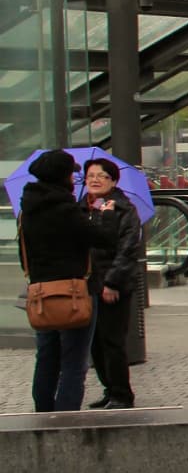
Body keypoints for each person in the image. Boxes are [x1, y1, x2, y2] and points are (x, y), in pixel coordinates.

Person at [19, 149, 112, 412]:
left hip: (41, 293)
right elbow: (102, 239)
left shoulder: (27, 211)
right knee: (74, 361)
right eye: (72, 173)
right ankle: (66, 421)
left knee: (46, 358)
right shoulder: (67, 210)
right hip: (75, 292)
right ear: (63, 176)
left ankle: (44, 415)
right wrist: (102, 214)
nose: (75, 178)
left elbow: (23, 255)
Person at [83, 156, 145, 411]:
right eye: (90, 177)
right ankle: (109, 389)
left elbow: (127, 249)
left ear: (114, 180)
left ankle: (122, 393)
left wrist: (112, 282)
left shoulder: (124, 209)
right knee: (95, 343)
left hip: (113, 285)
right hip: (89, 285)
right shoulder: (84, 208)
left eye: (101, 176)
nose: (95, 180)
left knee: (112, 341)